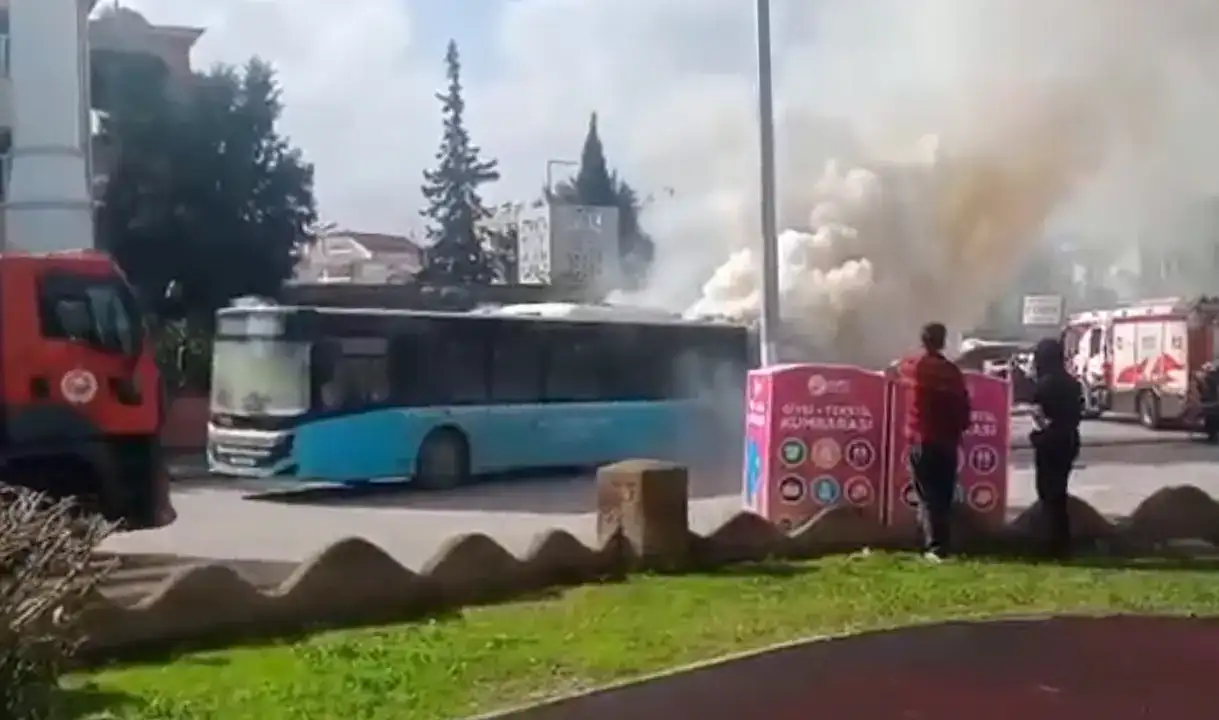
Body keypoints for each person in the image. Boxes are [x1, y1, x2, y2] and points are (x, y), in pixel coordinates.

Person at [899, 322, 971, 562]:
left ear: (923, 341)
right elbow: (964, 410)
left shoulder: (914, 366)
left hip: (923, 441)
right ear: (943, 342)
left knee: (927, 496)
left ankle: (935, 548)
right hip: (948, 443)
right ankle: (943, 545)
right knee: (943, 496)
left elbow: (894, 370)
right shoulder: (953, 373)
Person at [1029, 336, 1083, 558]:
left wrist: (1038, 436)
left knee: (1047, 493)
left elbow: (1038, 417)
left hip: (1049, 443)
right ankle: (1062, 541)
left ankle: (1052, 543)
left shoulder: (1043, 385)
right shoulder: (1072, 384)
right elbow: (1077, 414)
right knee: (1059, 492)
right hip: (1069, 440)